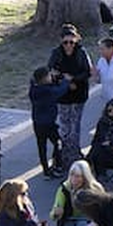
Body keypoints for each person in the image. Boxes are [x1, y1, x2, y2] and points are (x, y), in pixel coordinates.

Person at [48, 25, 93, 172]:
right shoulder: (56, 53)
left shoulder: (81, 53)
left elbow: (87, 72)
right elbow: (51, 70)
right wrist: (64, 79)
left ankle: (74, 157)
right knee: (64, 128)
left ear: (76, 40)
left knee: (74, 128)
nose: (68, 45)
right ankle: (64, 157)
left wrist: (73, 79)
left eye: (71, 42)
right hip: (62, 95)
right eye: (65, 42)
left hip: (78, 95)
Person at [27, 67, 66, 179]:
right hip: (48, 123)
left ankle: (45, 169)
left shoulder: (34, 89)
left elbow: (49, 84)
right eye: (49, 75)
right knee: (57, 142)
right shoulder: (47, 91)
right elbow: (60, 91)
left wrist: (55, 78)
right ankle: (58, 165)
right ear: (44, 79)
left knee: (41, 146)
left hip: (37, 122)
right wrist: (65, 81)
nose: (51, 77)